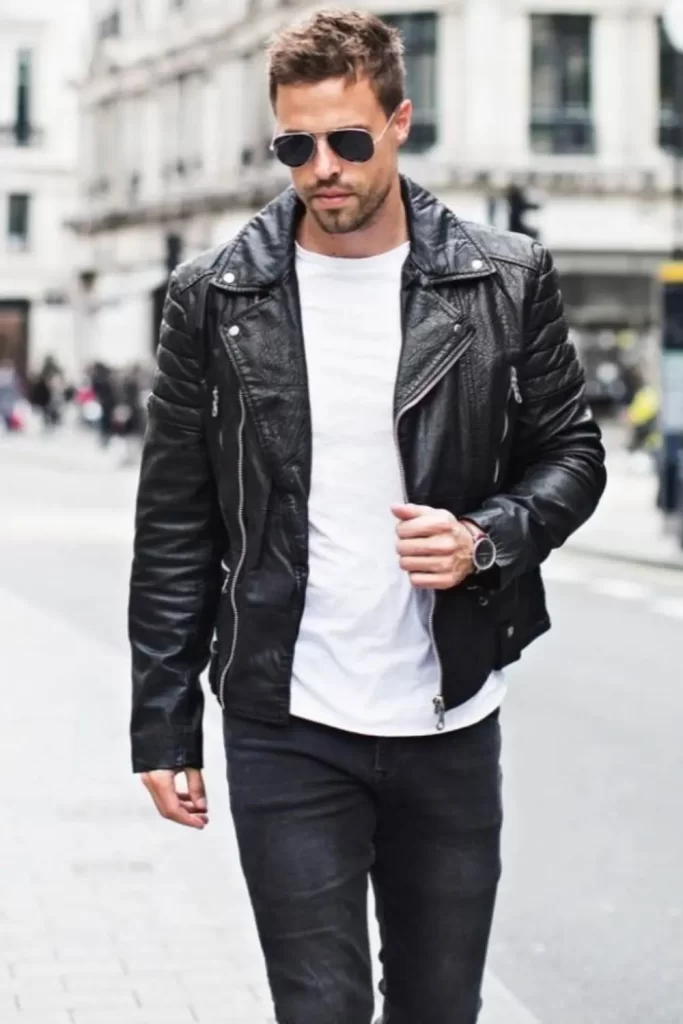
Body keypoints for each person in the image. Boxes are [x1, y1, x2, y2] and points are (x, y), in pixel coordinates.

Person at [129, 10, 606, 1023]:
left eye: (346, 140)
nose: (322, 167)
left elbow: (572, 454)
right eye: (294, 146)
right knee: (320, 1008)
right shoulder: (213, 297)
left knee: (438, 1006)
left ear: (398, 121)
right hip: (286, 723)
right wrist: (162, 723)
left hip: (447, 720)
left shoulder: (502, 277)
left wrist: (486, 538)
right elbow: (176, 522)